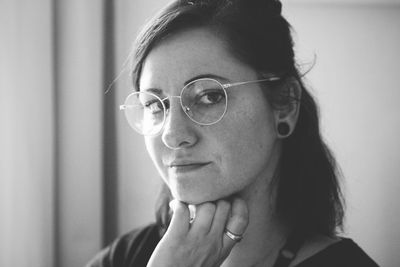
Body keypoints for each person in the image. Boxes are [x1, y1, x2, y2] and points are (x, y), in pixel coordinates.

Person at [87, 0, 379, 266]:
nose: (172, 134)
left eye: (209, 97)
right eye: (155, 105)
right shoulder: (127, 256)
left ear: (285, 105)